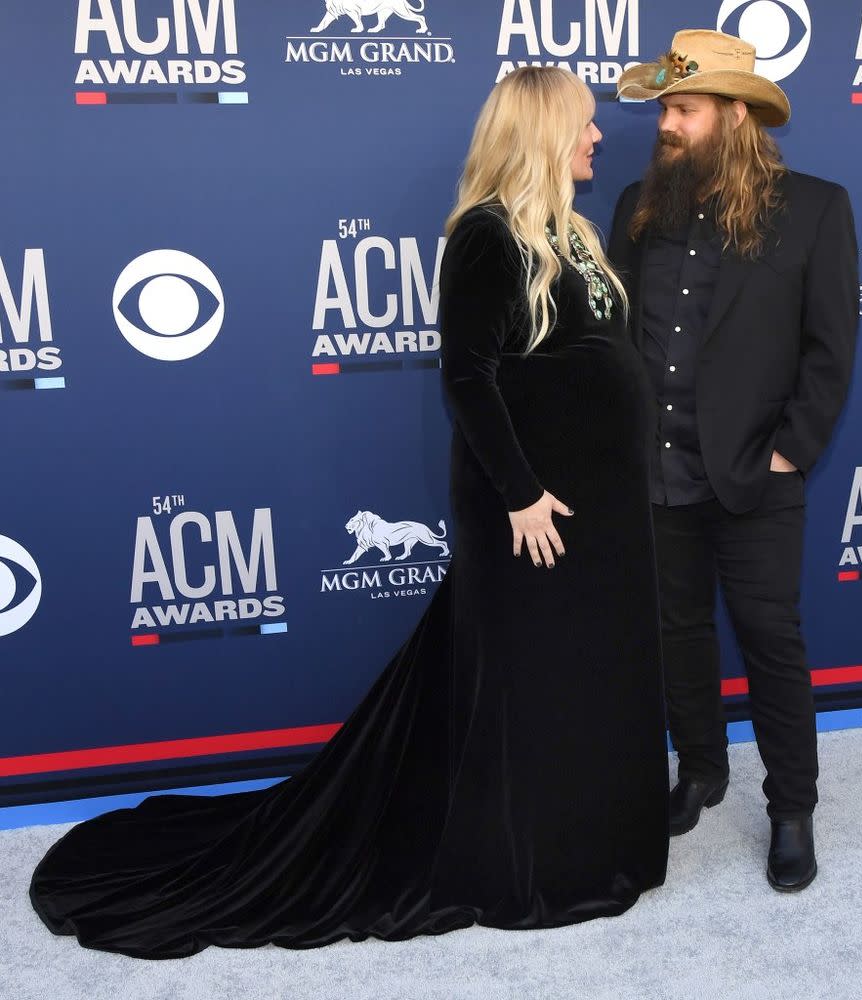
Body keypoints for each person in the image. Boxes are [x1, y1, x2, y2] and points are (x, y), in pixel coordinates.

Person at [30, 67, 669, 959]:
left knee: (589, 676)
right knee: (534, 684)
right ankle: (539, 857)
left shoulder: (576, 233)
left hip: (597, 510)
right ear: (539, 134)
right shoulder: (488, 238)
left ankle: (600, 832)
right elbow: (468, 379)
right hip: (534, 510)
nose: (600, 138)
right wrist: (521, 494)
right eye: (585, 126)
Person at [608, 29, 858, 892]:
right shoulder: (641, 204)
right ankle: (702, 772)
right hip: (657, 470)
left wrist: (792, 451)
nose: (665, 124)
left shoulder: (818, 208)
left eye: (682, 108)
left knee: (768, 638)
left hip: (757, 473)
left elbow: (831, 350)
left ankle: (792, 807)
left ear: (736, 116)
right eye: (665, 110)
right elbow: (621, 337)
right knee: (677, 630)